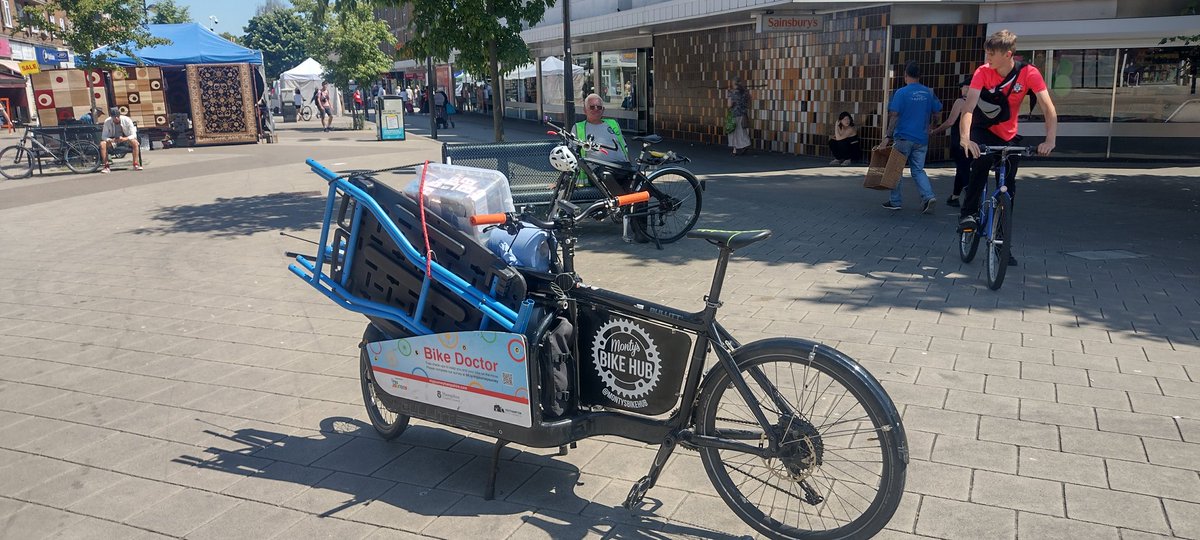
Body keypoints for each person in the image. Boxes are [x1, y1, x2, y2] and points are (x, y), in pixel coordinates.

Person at [957, 29, 1058, 265]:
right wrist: (965, 138)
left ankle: (1002, 245)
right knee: (980, 165)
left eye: (992, 54)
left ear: (1008, 54)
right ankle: (968, 214)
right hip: (983, 130)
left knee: (1008, 190)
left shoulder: (1029, 73)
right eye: (987, 53)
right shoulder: (982, 72)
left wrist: (1050, 140)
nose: (987, 58)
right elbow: (969, 108)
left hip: (1009, 136)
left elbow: (1048, 109)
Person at [878, 61, 941, 214]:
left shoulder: (901, 93)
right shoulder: (929, 92)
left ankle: (895, 201)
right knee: (918, 170)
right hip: (921, 138)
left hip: (904, 137)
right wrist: (931, 126)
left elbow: (894, 115)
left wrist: (887, 136)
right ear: (920, 76)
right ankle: (928, 196)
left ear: (905, 75)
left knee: (896, 169)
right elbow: (937, 112)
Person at [930, 78, 972, 207]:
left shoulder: (961, 102)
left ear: (970, 87)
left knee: (963, 169)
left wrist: (935, 131)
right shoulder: (979, 103)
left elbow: (950, 122)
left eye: (963, 86)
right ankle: (955, 196)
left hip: (959, 141)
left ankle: (971, 197)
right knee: (962, 168)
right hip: (973, 141)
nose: (961, 89)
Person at [99, 107, 141, 173]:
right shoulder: (107, 122)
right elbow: (104, 136)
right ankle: (106, 166)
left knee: (135, 142)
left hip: (125, 138)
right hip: (113, 139)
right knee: (102, 144)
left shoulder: (127, 120)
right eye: (114, 117)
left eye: (117, 116)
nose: (116, 118)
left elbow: (133, 135)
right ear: (111, 117)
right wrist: (110, 140)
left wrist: (125, 138)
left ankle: (135, 164)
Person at [727, 78, 751, 156]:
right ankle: (745, 143)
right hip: (743, 114)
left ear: (733, 84)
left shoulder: (732, 93)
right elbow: (749, 102)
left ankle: (735, 150)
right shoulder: (745, 92)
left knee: (733, 132)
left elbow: (729, 105)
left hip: (734, 114)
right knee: (742, 131)